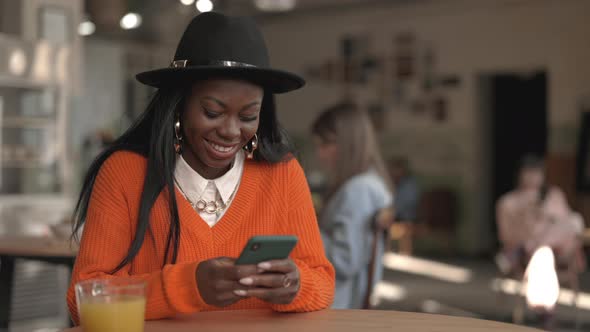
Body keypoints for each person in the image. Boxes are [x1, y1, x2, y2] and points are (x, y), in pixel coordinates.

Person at [67, 12, 335, 323]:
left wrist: (294, 285)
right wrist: (188, 286)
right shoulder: (125, 173)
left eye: (248, 116)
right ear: (179, 104)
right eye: (212, 112)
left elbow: (323, 282)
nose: (231, 131)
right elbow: (83, 297)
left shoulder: (283, 174)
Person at [311, 102, 393, 309]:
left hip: (339, 303)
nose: (320, 154)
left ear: (348, 144)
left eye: (325, 144)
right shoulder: (369, 183)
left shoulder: (358, 189)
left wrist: (302, 227)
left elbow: (345, 261)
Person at [496, 155, 585, 275]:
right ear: (519, 175)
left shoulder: (554, 195)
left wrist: (548, 214)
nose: (533, 178)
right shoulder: (507, 202)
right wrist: (524, 215)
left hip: (554, 249)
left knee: (576, 220)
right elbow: (505, 236)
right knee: (544, 248)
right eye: (528, 173)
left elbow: (568, 222)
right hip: (525, 248)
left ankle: (533, 246)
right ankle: (534, 247)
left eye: (537, 173)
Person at [388, 157, 419, 222]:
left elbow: (398, 208)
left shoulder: (409, 185)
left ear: (403, 170)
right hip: (394, 217)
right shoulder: (394, 182)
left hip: (405, 220)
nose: (391, 172)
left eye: (395, 169)